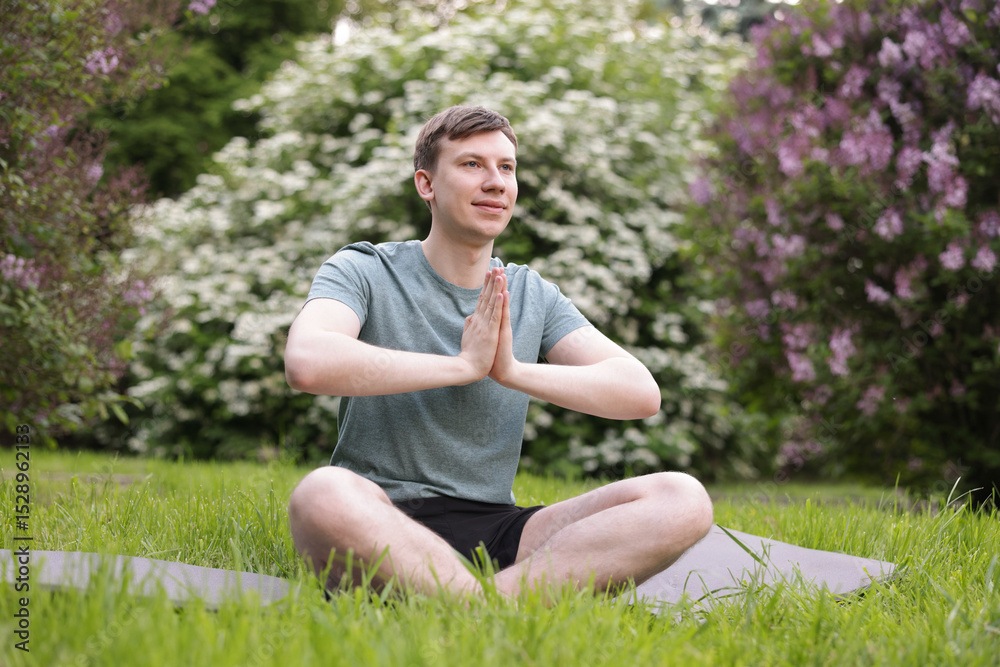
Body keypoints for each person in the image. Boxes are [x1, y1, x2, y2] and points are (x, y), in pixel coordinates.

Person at [284, 105, 713, 599]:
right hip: (379, 517)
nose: (495, 182)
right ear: (426, 184)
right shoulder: (365, 269)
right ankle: (491, 605)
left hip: (499, 530)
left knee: (682, 498)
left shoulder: (531, 293)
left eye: (506, 167)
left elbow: (639, 392)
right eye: (472, 164)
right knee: (322, 493)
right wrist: (462, 366)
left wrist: (509, 370)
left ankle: (478, 603)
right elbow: (308, 362)